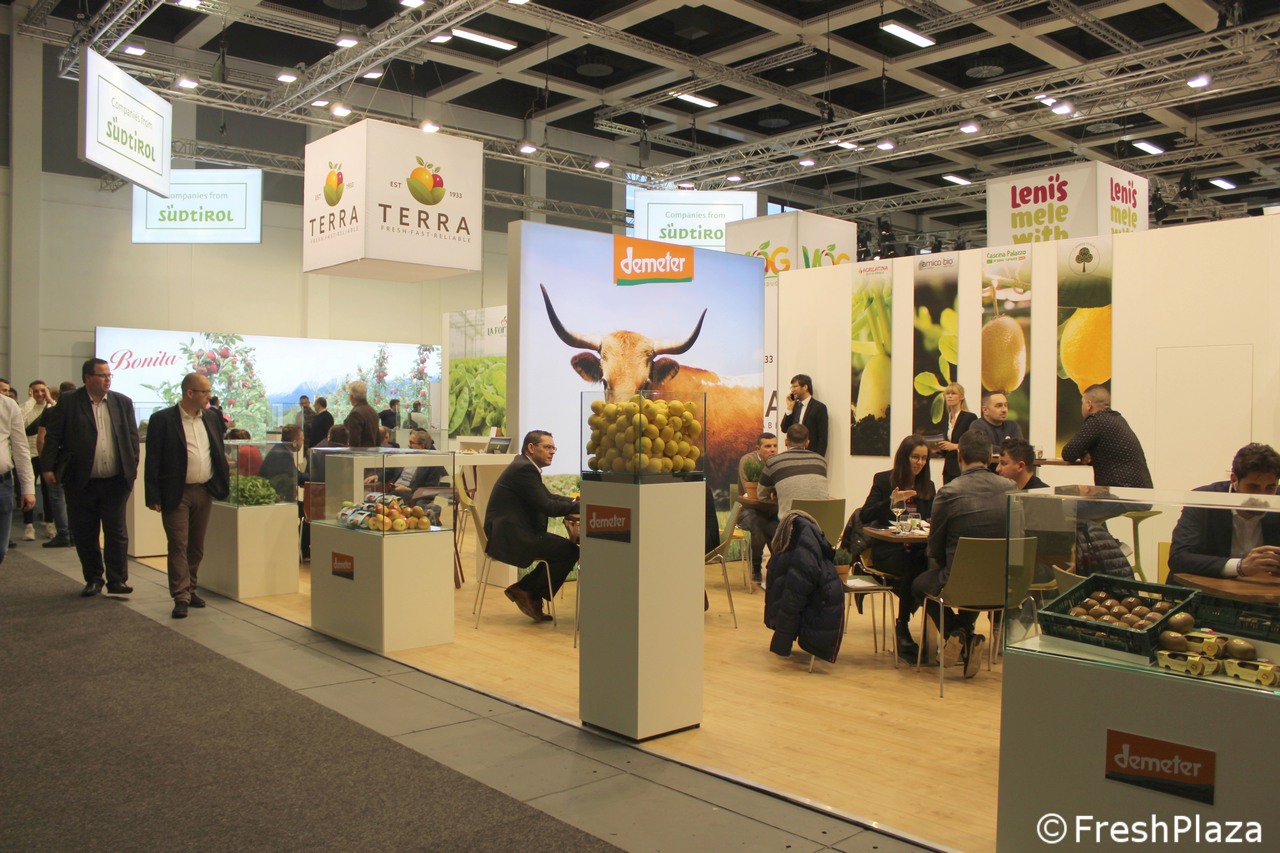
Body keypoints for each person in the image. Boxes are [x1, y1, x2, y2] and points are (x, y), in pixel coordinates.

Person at [913, 430, 1014, 678]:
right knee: (976, 579)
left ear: (959, 456)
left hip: (959, 583)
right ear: (990, 459)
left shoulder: (949, 492)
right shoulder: (1012, 489)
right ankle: (966, 636)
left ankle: (957, 632)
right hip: (1004, 586)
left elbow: (934, 548)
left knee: (919, 585)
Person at [40, 358, 140, 597]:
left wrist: (132, 467)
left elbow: (131, 438)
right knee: (85, 532)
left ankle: (117, 580)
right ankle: (94, 579)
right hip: (80, 480)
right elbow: (53, 436)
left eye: (109, 375)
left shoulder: (122, 402)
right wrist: (48, 467)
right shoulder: (69, 402)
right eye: (102, 375)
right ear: (87, 378)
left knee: (116, 532)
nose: (107, 379)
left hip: (116, 481)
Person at [144, 373, 231, 619]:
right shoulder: (162, 420)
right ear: (189, 393)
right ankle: (180, 596)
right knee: (178, 544)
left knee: (196, 546)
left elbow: (217, 450)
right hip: (176, 492)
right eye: (204, 392)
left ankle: (191, 588)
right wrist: (153, 495)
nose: (209, 396)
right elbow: (153, 459)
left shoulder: (212, 418)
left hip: (204, 490)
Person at [483, 430, 580, 623]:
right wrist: (582, 506)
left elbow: (548, 497)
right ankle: (526, 590)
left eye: (554, 448)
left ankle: (527, 591)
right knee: (570, 551)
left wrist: (574, 501)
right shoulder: (524, 469)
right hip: (511, 536)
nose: (552, 452)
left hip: (512, 531)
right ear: (531, 447)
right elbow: (547, 506)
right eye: (547, 447)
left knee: (566, 550)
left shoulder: (524, 466)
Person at [860, 435, 935, 659]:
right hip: (888, 550)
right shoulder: (884, 480)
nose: (920, 463)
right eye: (915, 457)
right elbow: (865, 515)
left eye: (924, 458)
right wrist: (891, 502)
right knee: (917, 566)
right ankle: (903, 625)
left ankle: (916, 626)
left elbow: (931, 518)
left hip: (917, 548)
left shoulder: (927, 486)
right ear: (904, 457)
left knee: (925, 564)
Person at [1169, 443, 1280, 579]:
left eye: (1270, 487)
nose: (1262, 496)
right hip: (1206, 588)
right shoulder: (1203, 499)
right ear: (1234, 479)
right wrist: (1240, 567)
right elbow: (1179, 558)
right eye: (1253, 487)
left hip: (1264, 589)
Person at [764, 511, 844, 663]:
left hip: (819, 602)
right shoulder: (810, 539)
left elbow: (794, 596)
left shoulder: (800, 541)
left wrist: (781, 643)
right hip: (824, 589)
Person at [1061, 385, 1153, 488]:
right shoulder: (1117, 418)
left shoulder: (1096, 420)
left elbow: (1068, 453)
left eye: (1082, 403)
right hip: (1142, 489)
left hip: (1122, 492)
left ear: (1089, 404)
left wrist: (1082, 453)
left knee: (1071, 498)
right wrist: (1085, 452)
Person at [0, 383, 36, 565]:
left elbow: (21, 448)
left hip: (2, 483)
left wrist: (28, 488)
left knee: (1, 549)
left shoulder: (8, 405)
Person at [757, 424, 828, 516]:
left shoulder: (773, 462)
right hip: (823, 522)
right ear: (807, 443)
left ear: (786, 441)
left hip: (792, 522)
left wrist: (781, 498)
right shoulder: (821, 461)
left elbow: (762, 496)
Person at [737, 432, 779, 584]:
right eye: (768, 446)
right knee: (759, 527)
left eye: (775, 446)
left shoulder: (779, 463)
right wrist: (771, 494)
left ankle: (775, 566)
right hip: (748, 509)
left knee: (781, 530)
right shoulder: (748, 461)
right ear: (757, 448)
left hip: (771, 510)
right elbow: (752, 492)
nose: (772, 449)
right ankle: (755, 567)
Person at [20, 380, 58, 541]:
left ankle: (50, 523)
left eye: (42, 390)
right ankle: (28, 526)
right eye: (35, 391)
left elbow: (60, 414)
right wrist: (30, 400)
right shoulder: (25, 408)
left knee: (48, 491)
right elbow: (20, 422)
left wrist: (50, 400)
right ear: (31, 392)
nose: (39, 394)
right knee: (27, 491)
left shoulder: (52, 407)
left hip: (45, 455)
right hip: (28, 455)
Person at [935, 382, 977, 484]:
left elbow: (975, 443)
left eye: (953, 393)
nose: (949, 396)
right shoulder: (946, 419)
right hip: (948, 468)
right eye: (947, 394)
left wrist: (955, 446)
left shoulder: (969, 417)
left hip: (962, 467)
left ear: (961, 397)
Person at [779, 374, 828, 457]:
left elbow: (822, 437)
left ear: (805, 387)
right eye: (791, 387)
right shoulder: (794, 406)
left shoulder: (819, 407)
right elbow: (784, 429)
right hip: (792, 455)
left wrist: (818, 458)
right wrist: (789, 408)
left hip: (810, 456)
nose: (792, 390)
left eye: (795, 386)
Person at [969, 390, 1022, 467]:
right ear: (985, 410)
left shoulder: (1013, 426)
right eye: (999, 406)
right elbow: (982, 448)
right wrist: (1010, 450)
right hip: (987, 471)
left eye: (1006, 405)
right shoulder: (978, 425)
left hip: (1009, 472)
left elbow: (1021, 448)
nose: (1004, 410)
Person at [344, 381, 379, 448]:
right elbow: (377, 439)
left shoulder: (355, 414)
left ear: (351, 396)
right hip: (373, 452)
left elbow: (354, 442)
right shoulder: (373, 411)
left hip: (360, 453)